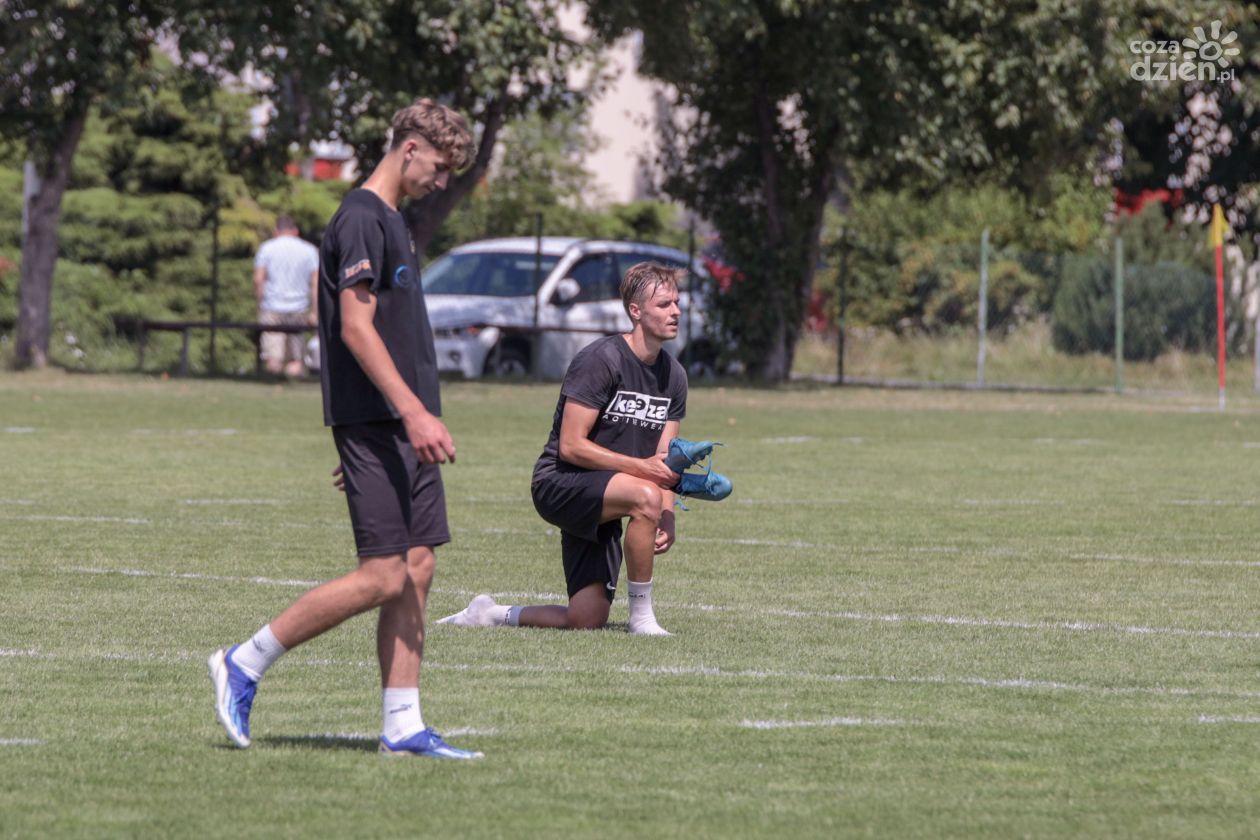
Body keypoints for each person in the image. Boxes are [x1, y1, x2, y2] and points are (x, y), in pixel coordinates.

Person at [209, 98, 482, 759]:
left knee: (418, 566)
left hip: (398, 427)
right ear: (410, 148)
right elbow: (356, 330)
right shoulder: (360, 217)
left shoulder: (393, 219)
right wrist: (401, 418)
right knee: (384, 575)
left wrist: (402, 423)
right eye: (439, 166)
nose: (441, 181)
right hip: (388, 422)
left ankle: (402, 726)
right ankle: (244, 661)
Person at [440, 262, 688, 636]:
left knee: (586, 618)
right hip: (562, 482)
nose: (676, 312)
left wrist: (667, 516)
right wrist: (644, 474)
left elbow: (664, 463)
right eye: (665, 304)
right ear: (635, 311)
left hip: (611, 492)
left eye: (677, 303)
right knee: (645, 496)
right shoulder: (601, 360)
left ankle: (488, 614)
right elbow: (571, 447)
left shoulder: (675, 376)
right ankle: (642, 619)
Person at [254, 215, 320, 377]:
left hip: (272, 306)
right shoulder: (309, 250)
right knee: (296, 357)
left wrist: (260, 304)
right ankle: (291, 380)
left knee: (273, 356)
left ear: (276, 231)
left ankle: (275, 381)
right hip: (298, 307)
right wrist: (314, 311)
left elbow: (258, 279)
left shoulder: (267, 248)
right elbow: (315, 283)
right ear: (295, 231)